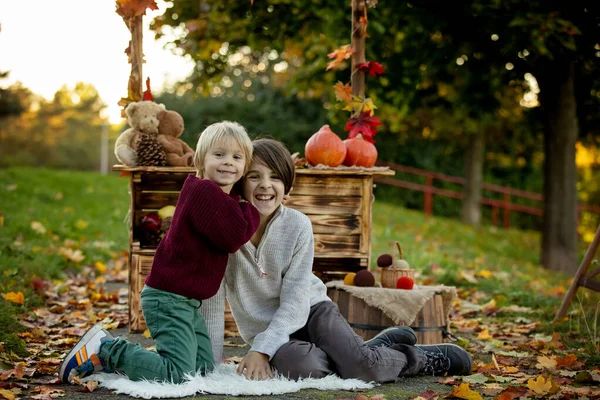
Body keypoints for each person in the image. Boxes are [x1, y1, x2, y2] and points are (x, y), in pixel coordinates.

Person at [200, 138, 472, 383]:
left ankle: (420, 358)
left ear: (287, 187)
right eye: (254, 176)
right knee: (303, 369)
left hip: (312, 312)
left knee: (364, 370)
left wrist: (261, 350)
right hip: (270, 332)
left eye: (276, 177)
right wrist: (210, 366)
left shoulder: (297, 226)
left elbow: (296, 301)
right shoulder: (222, 231)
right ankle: (367, 351)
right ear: (239, 184)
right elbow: (211, 300)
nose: (265, 185)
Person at [59, 121, 260, 384]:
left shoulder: (222, 198)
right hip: (168, 299)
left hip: (185, 303)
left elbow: (233, 224)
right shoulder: (203, 191)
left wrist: (242, 203)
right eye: (219, 155)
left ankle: (113, 362)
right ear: (201, 158)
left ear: (244, 166)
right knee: (176, 374)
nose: (228, 163)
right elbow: (234, 238)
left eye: (237, 157)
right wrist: (255, 206)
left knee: (201, 370)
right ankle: (105, 349)